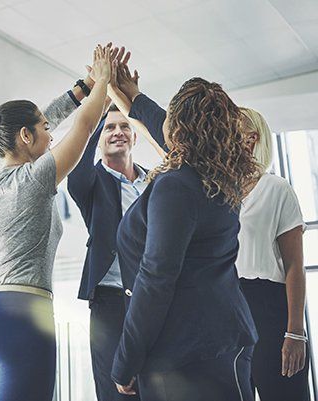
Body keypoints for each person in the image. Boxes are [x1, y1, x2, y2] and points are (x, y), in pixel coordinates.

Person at [0, 45, 112, 401]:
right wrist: (103, 79)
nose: (51, 134)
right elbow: (85, 126)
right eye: (45, 128)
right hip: (23, 317)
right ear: (25, 137)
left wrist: (89, 90)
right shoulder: (35, 178)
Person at [110, 76, 259, 401]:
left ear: (179, 129)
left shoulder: (177, 185)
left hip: (189, 354)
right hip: (212, 342)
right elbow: (170, 131)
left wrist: (125, 359)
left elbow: (156, 279)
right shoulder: (215, 173)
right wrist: (134, 97)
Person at [67, 49, 164, 401]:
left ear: (135, 136)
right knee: (114, 391)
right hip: (108, 302)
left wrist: (131, 105)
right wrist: (103, 93)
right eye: (109, 128)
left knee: (157, 383)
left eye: (124, 127)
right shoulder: (89, 183)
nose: (117, 132)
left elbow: (177, 157)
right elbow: (75, 162)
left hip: (152, 296)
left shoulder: (155, 182)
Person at [237, 107, 309, 401]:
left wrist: (295, 332)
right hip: (229, 307)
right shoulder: (217, 191)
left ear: (250, 139)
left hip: (269, 309)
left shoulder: (277, 189)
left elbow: (294, 266)